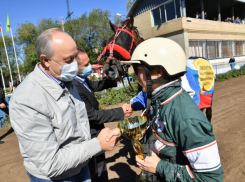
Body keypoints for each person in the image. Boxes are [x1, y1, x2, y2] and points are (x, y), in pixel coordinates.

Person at [9, 28, 121, 182]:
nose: (75, 64)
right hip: (54, 177)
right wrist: (97, 145)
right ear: (46, 60)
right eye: (68, 60)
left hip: (81, 166)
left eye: (75, 56)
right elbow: (50, 164)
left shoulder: (65, 79)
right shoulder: (26, 100)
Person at [122, 38, 224, 182]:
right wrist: (121, 131)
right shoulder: (158, 101)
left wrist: (159, 167)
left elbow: (210, 178)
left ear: (159, 72)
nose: (137, 77)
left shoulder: (187, 118)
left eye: (140, 71)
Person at [73, 48, 133, 182]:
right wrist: (120, 112)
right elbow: (92, 115)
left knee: (102, 170)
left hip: (96, 133)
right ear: (75, 67)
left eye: (89, 63)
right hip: (90, 136)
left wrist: (115, 78)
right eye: (86, 65)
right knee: (97, 173)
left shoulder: (82, 80)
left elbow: (96, 85)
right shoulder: (74, 87)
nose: (90, 67)